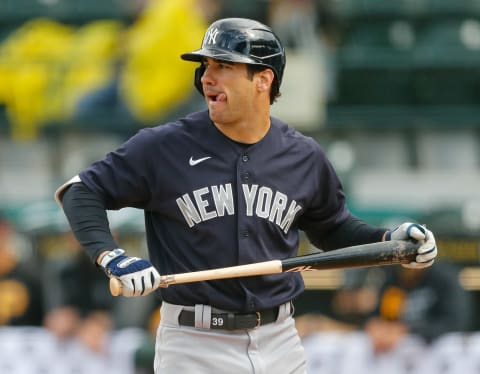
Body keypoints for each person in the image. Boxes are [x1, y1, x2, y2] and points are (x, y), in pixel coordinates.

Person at [54, 18, 437, 373]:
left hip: (280, 338)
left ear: (263, 79)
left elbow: (333, 228)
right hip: (193, 343)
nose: (207, 77)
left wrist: (391, 242)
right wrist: (113, 257)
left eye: (223, 66)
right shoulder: (163, 146)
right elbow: (80, 191)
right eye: (205, 67)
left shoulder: (302, 155)